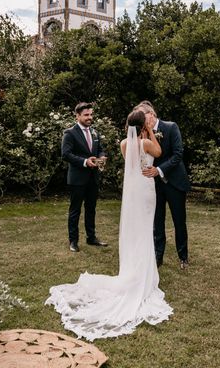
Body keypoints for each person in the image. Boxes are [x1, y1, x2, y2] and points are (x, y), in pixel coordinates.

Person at [46, 110, 173, 341]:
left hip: (133, 191)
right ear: (143, 125)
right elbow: (159, 152)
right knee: (145, 231)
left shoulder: (125, 143)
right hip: (145, 190)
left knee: (136, 232)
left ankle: (135, 270)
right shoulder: (146, 142)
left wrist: (142, 131)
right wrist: (151, 133)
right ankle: (143, 275)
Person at [136, 101, 191, 269]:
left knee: (179, 221)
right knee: (157, 222)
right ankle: (158, 257)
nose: (143, 122)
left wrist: (159, 170)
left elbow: (177, 154)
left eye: (144, 118)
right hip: (155, 186)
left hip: (174, 182)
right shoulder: (142, 133)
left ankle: (183, 256)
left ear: (152, 115)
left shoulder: (171, 127)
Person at [61, 102, 108, 252]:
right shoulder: (69, 133)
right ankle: (73, 241)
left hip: (93, 178)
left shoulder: (94, 132)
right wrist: (84, 162)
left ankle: (91, 238)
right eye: (86, 115)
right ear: (78, 116)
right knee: (75, 210)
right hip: (77, 178)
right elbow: (66, 154)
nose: (90, 117)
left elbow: (100, 149)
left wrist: (102, 157)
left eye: (91, 114)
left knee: (91, 209)